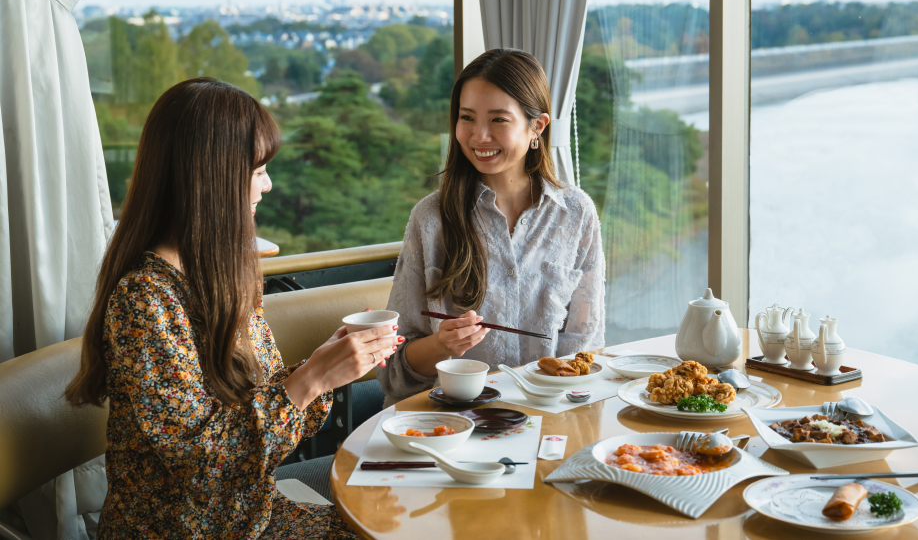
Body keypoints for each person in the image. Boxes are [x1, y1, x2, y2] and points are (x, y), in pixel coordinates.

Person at [64, 78, 396, 539]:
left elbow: (258, 422)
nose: (269, 184)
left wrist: (326, 368)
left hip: (244, 516)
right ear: (211, 176)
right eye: (258, 169)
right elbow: (200, 466)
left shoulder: (222, 274)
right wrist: (310, 380)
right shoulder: (145, 301)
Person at [378, 49, 605, 406]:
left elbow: (586, 347)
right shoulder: (430, 218)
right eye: (467, 118)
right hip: (446, 424)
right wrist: (441, 345)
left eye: (498, 120)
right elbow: (394, 370)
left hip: (546, 415)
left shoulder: (576, 214)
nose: (479, 136)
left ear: (538, 127)